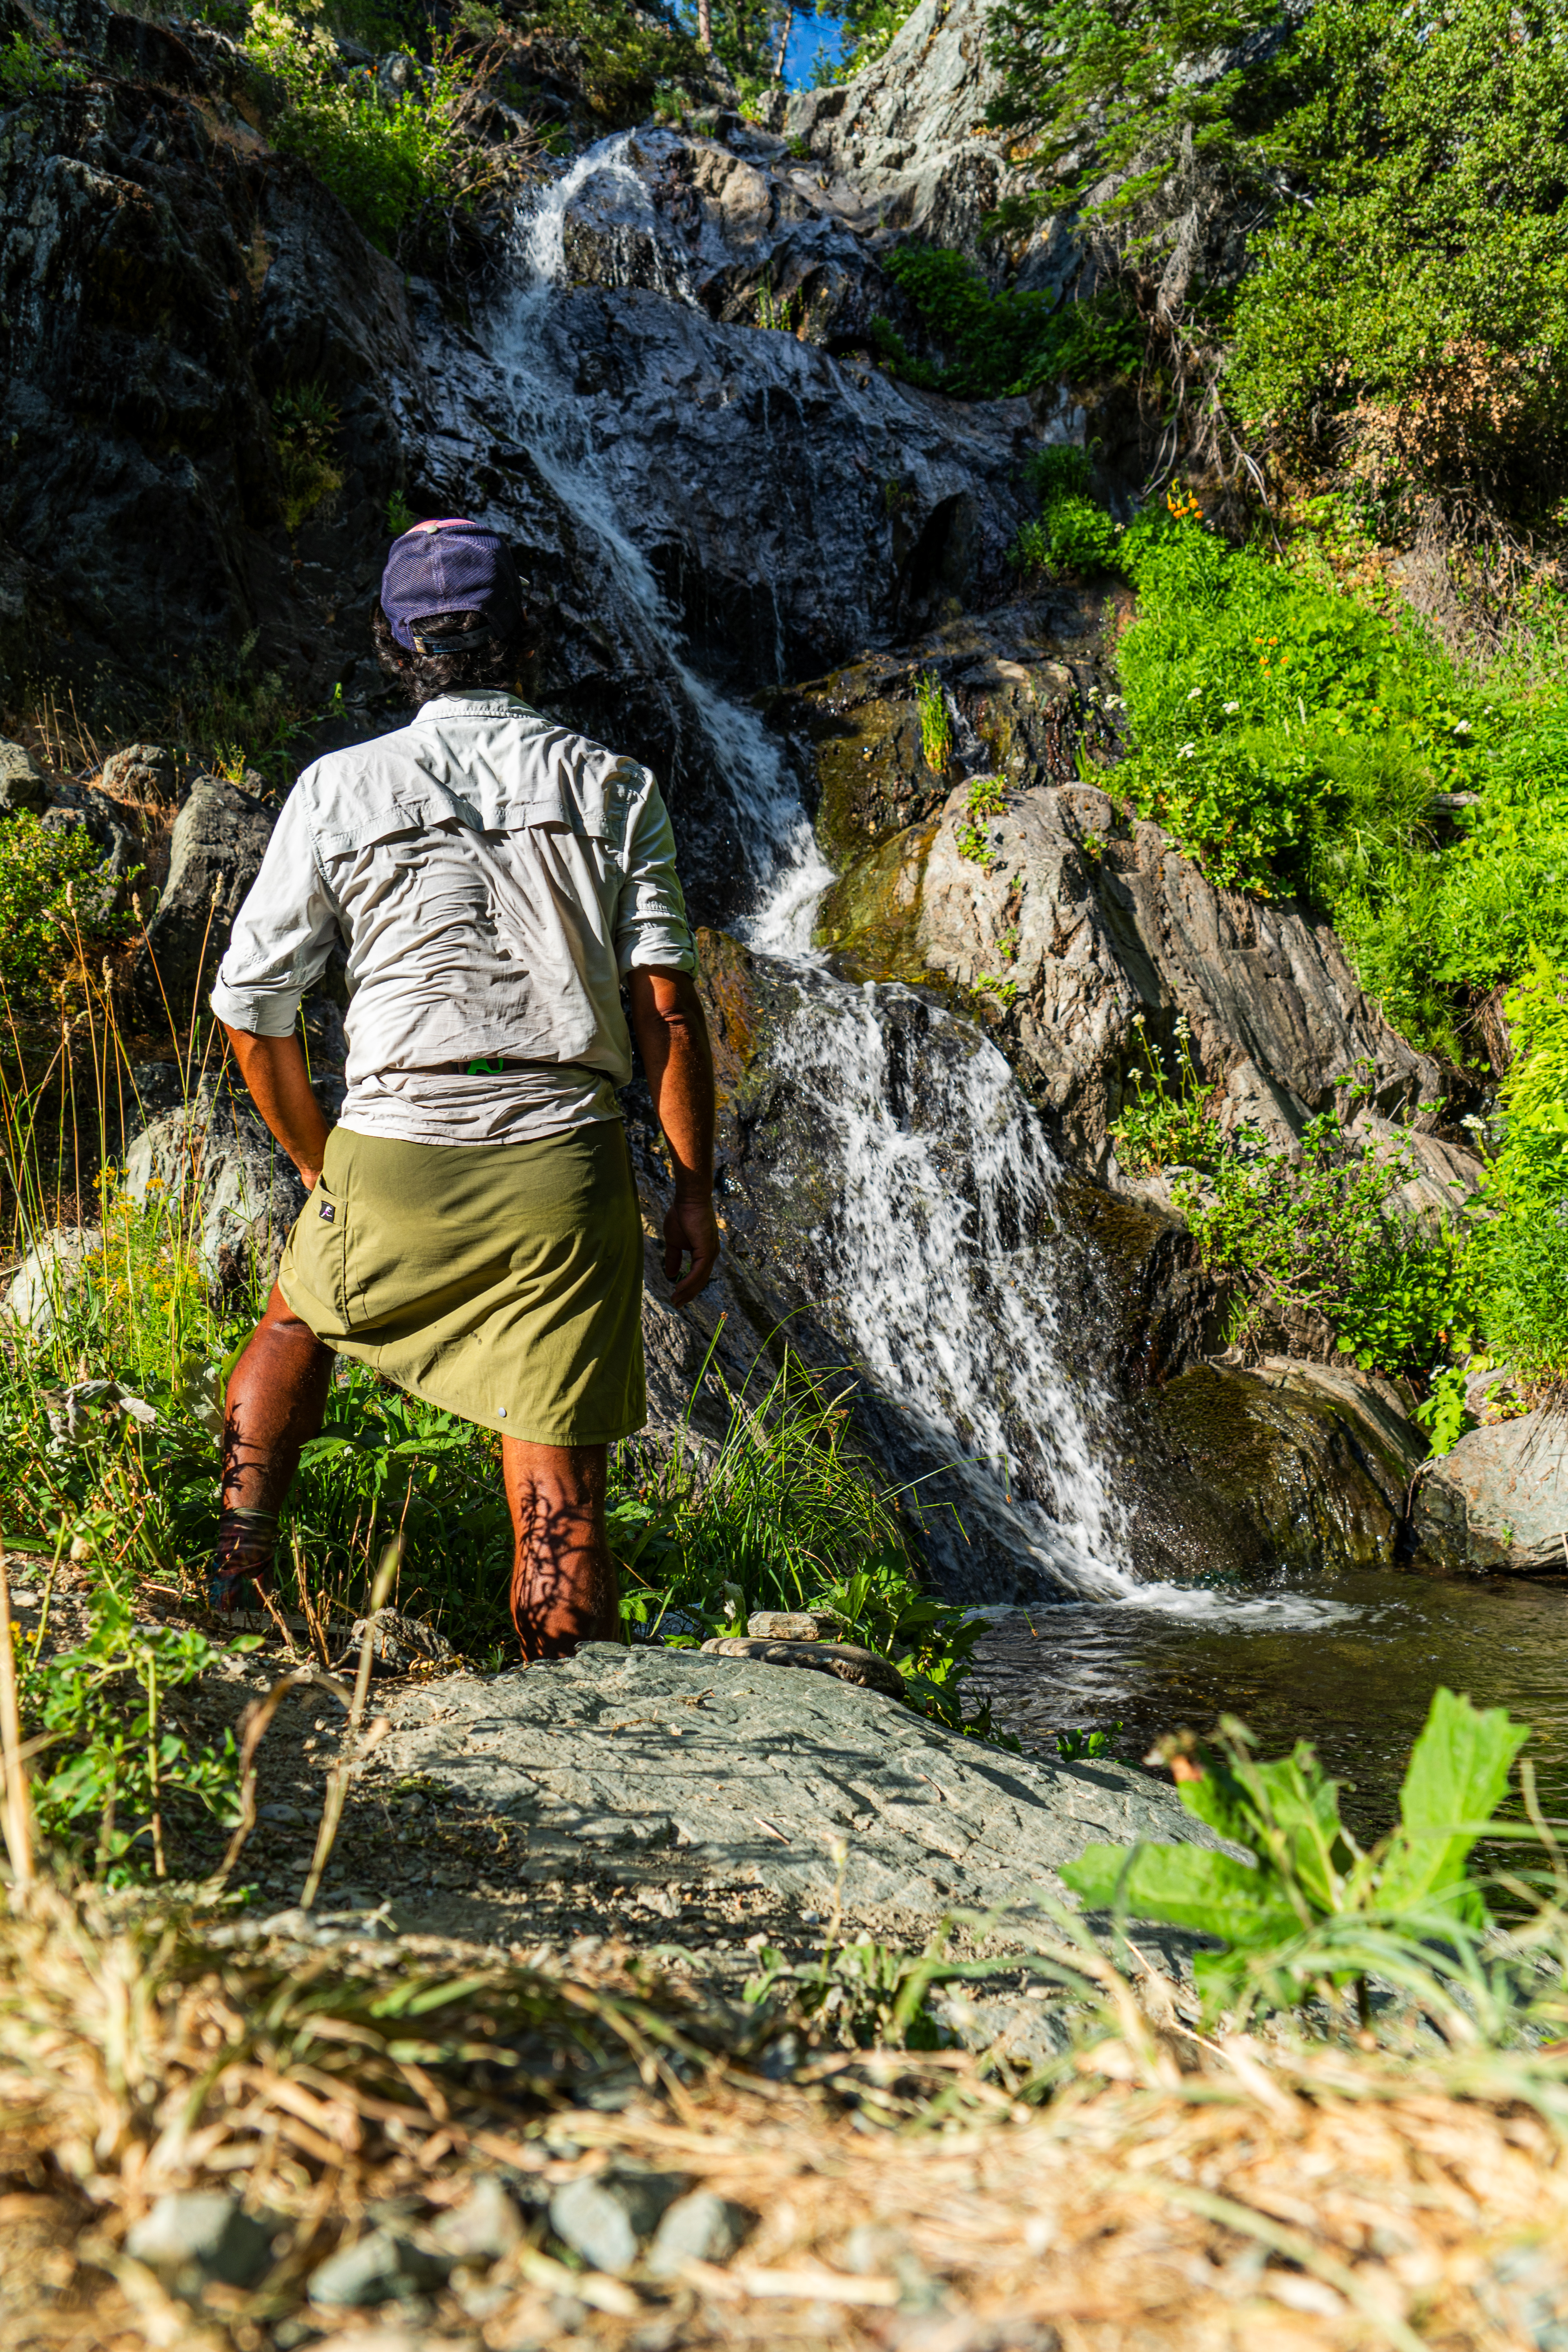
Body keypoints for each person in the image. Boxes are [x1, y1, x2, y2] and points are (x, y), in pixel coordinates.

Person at [207, 518, 719, 1655]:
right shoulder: (613, 785)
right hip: (561, 1166)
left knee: (297, 1319)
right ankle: (571, 1717)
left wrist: (317, 1163)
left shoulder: (340, 787)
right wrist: (693, 1188)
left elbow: (252, 1010)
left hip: (393, 1145)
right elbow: (668, 1010)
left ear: (395, 647)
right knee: (559, 1491)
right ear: (524, 633)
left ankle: (234, 1572)